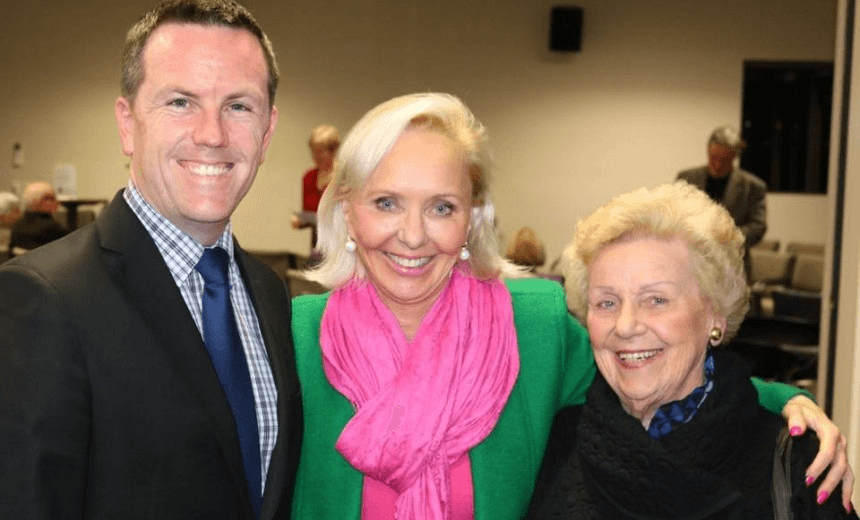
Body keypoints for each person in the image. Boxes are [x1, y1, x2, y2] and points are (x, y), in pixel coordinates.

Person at [287, 92, 851, 520]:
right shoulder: (293, 338)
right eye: (387, 203)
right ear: (347, 212)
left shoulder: (532, 324)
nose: (413, 235)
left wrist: (788, 404)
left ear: (471, 220)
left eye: (441, 207)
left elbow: (658, 372)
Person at [0, 1, 302, 519]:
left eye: (238, 106)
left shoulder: (270, 293)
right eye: (181, 101)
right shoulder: (43, 298)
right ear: (127, 123)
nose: (212, 134)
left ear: (267, 132)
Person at [528, 182, 855, 519]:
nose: (625, 326)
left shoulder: (799, 459)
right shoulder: (554, 442)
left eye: (656, 300)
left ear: (716, 316)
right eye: (606, 302)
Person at [677, 125, 767, 275]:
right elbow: (673, 215)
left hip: (732, 267)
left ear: (735, 157)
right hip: (692, 264)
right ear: (708, 150)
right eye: (714, 157)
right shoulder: (687, 178)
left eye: (724, 160)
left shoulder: (753, 186)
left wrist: (726, 236)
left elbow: (758, 227)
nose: (717, 164)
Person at [292, 124, 340, 250]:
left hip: (341, 246)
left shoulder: (344, 178)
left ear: (333, 150)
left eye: (320, 151)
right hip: (318, 245)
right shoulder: (309, 177)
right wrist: (300, 220)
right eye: (313, 150)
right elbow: (308, 213)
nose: (315, 155)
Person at [9, 181, 68, 254]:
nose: (57, 201)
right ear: (39, 201)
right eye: (52, 198)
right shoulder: (52, 228)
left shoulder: (17, 225)